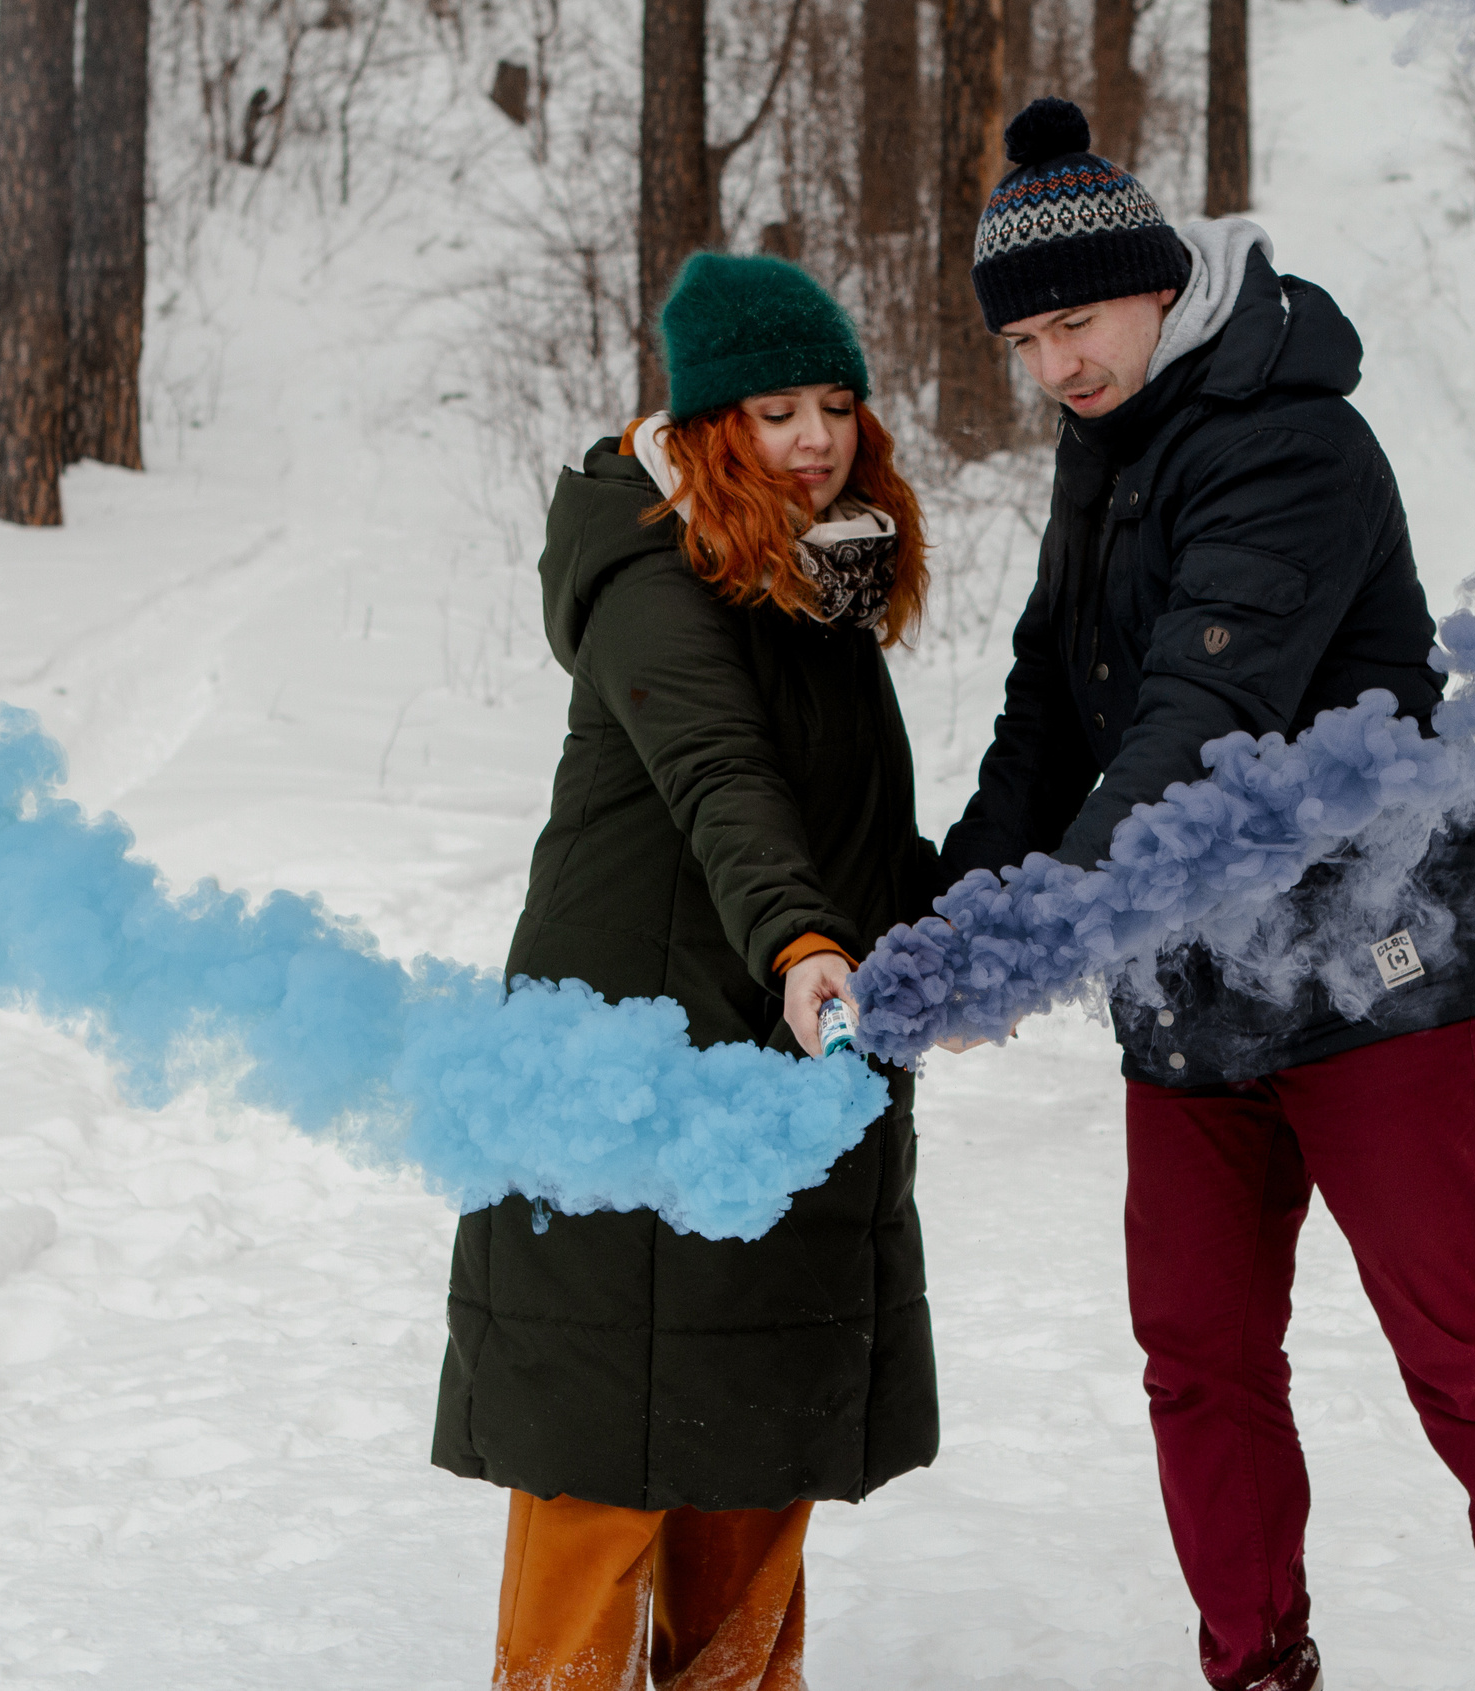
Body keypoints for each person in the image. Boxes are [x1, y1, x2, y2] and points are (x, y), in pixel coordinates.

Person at [939, 97, 1475, 1691]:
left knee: (1467, 1358)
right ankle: (1256, 1664)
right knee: (1197, 1359)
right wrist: (952, 918)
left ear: (1161, 285)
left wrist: (1032, 939)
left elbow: (1205, 718)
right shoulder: (1105, 440)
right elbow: (1052, 708)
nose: (1059, 364)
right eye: (1030, 339)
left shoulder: (1291, 436)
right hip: (1185, 975)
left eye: (1081, 322)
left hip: (1374, 966)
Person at [431, 251, 943, 1691]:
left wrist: (954, 939)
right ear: (711, 423)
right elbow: (722, 777)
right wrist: (800, 937)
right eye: (775, 410)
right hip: (631, 1067)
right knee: (603, 1438)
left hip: (788, 1055)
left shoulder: (815, 567)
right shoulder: (651, 566)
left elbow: (851, 823)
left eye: (834, 403)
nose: (814, 437)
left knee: (756, 1421)